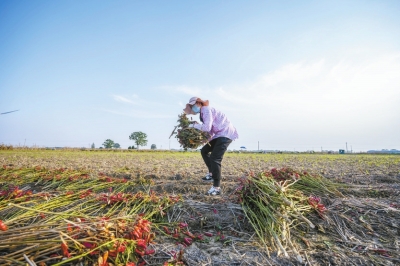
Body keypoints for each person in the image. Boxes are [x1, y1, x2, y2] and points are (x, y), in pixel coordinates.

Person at [183, 97, 239, 196]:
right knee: (204, 151)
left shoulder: (206, 110)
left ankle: (216, 188)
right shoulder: (202, 113)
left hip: (225, 134)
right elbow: (210, 131)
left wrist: (193, 126)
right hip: (219, 134)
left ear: (199, 103)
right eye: (191, 106)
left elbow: (206, 127)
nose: (193, 108)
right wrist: (202, 140)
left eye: (193, 105)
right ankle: (211, 174)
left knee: (215, 158)